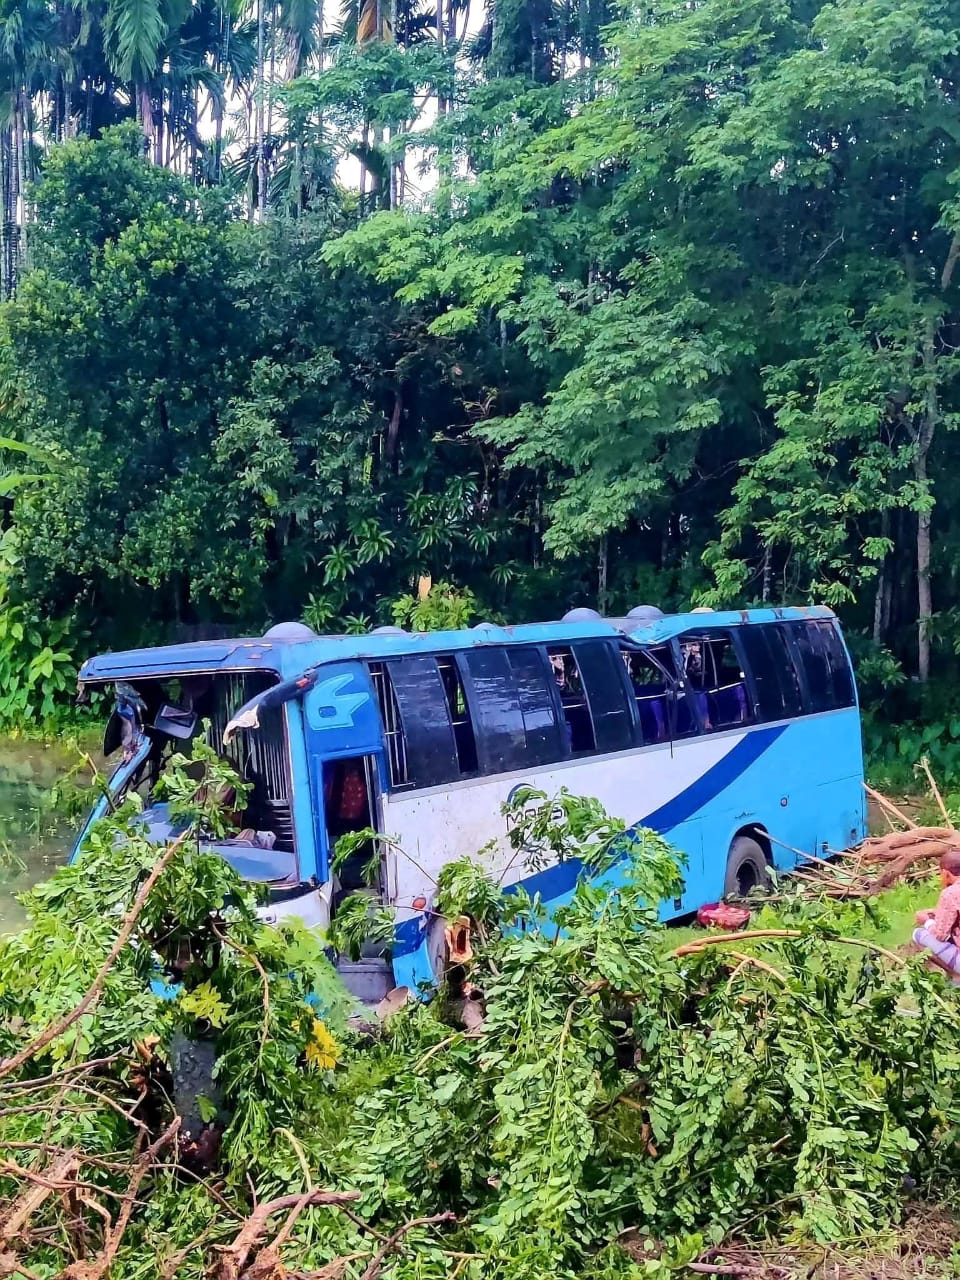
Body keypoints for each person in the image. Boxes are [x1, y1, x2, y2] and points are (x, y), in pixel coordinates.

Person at [913, 849, 960, 984]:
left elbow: (940, 935)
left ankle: (956, 976)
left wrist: (926, 921)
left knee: (919, 934)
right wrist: (938, 911)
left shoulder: (950, 893)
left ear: (945, 873)